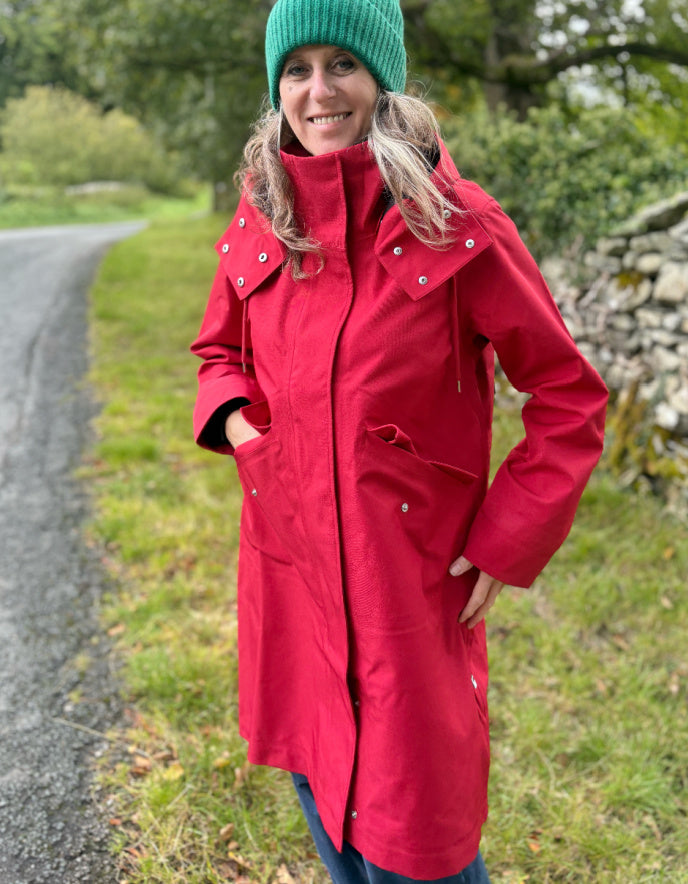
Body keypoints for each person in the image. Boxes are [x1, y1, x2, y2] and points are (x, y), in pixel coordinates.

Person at [190, 0, 608, 880]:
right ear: (277, 88)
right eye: (296, 69)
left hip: (409, 583)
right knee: (318, 778)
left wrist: (509, 537)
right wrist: (241, 424)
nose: (318, 90)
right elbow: (218, 350)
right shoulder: (265, 211)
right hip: (291, 567)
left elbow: (568, 396)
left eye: (341, 63)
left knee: (417, 834)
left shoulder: (457, 221)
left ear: (382, 77)